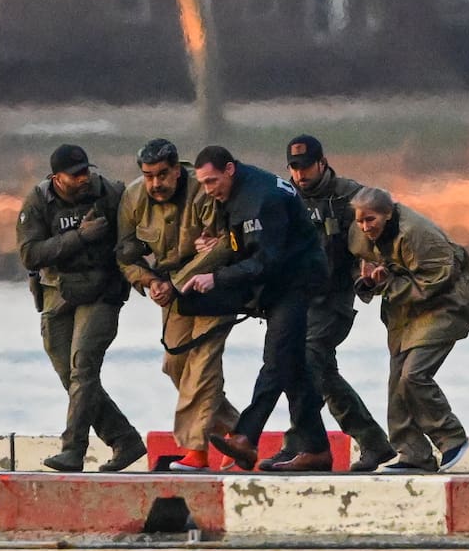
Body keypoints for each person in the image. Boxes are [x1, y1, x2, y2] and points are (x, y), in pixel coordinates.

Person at [181, 145, 333, 472]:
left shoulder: (265, 198)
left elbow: (268, 261)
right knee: (292, 368)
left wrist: (217, 278)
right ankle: (317, 448)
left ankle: (246, 437)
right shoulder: (230, 196)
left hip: (297, 279)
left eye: (211, 181)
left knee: (277, 357)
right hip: (275, 283)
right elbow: (242, 246)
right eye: (203, 184)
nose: (208, 190)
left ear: (230, 170)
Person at [252, 135, 395, 473]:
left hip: (334, 298)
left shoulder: (349, 196)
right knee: (311, 370)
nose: (300, 175)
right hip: (294, 300)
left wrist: (372, 264)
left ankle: (302, 444)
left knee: (308, 359)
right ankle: (370, 443)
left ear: (322, 162)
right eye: (294, 168)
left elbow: (382, 228)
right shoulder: (280, 198)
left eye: (306, 167)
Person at [17, 144, 147, 473]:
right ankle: (124, 439)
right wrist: (79, 236)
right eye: (75, 175)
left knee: (83, 369)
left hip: (101, 291)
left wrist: (131, 252)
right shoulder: (37, 201)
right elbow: (30, 254)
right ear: (56, 177)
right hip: (56, 292)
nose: (83, 178)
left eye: (86, 171)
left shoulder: (111, 193)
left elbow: (135, 234)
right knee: (69, 376)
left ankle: (73, 450)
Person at [115, 138, 240, 472]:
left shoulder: (202, 191)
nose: (155, 183)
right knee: (176, 364)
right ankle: (239, 432)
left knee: (203, 365)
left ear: (177, 169)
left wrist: (177, 281)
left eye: (162, 175)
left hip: (214, 286)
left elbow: (223, 245)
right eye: (148, 176)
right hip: (170, 292)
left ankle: (195, 453)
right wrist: (149, 281)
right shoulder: (134, 197)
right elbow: (125, 254)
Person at [349, 187, 469, 473]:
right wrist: (368, 281)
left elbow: (437, 280)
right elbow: (360, 266)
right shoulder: (359, 234)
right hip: (404, 311)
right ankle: (413, 454)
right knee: (397, 381)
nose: (365, 227)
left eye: (371, 220)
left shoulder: (417, 234)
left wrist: (388, 282)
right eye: (360, 221)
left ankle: (451, 438)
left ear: (388, 214)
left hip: (445, 305)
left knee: (414, 374)